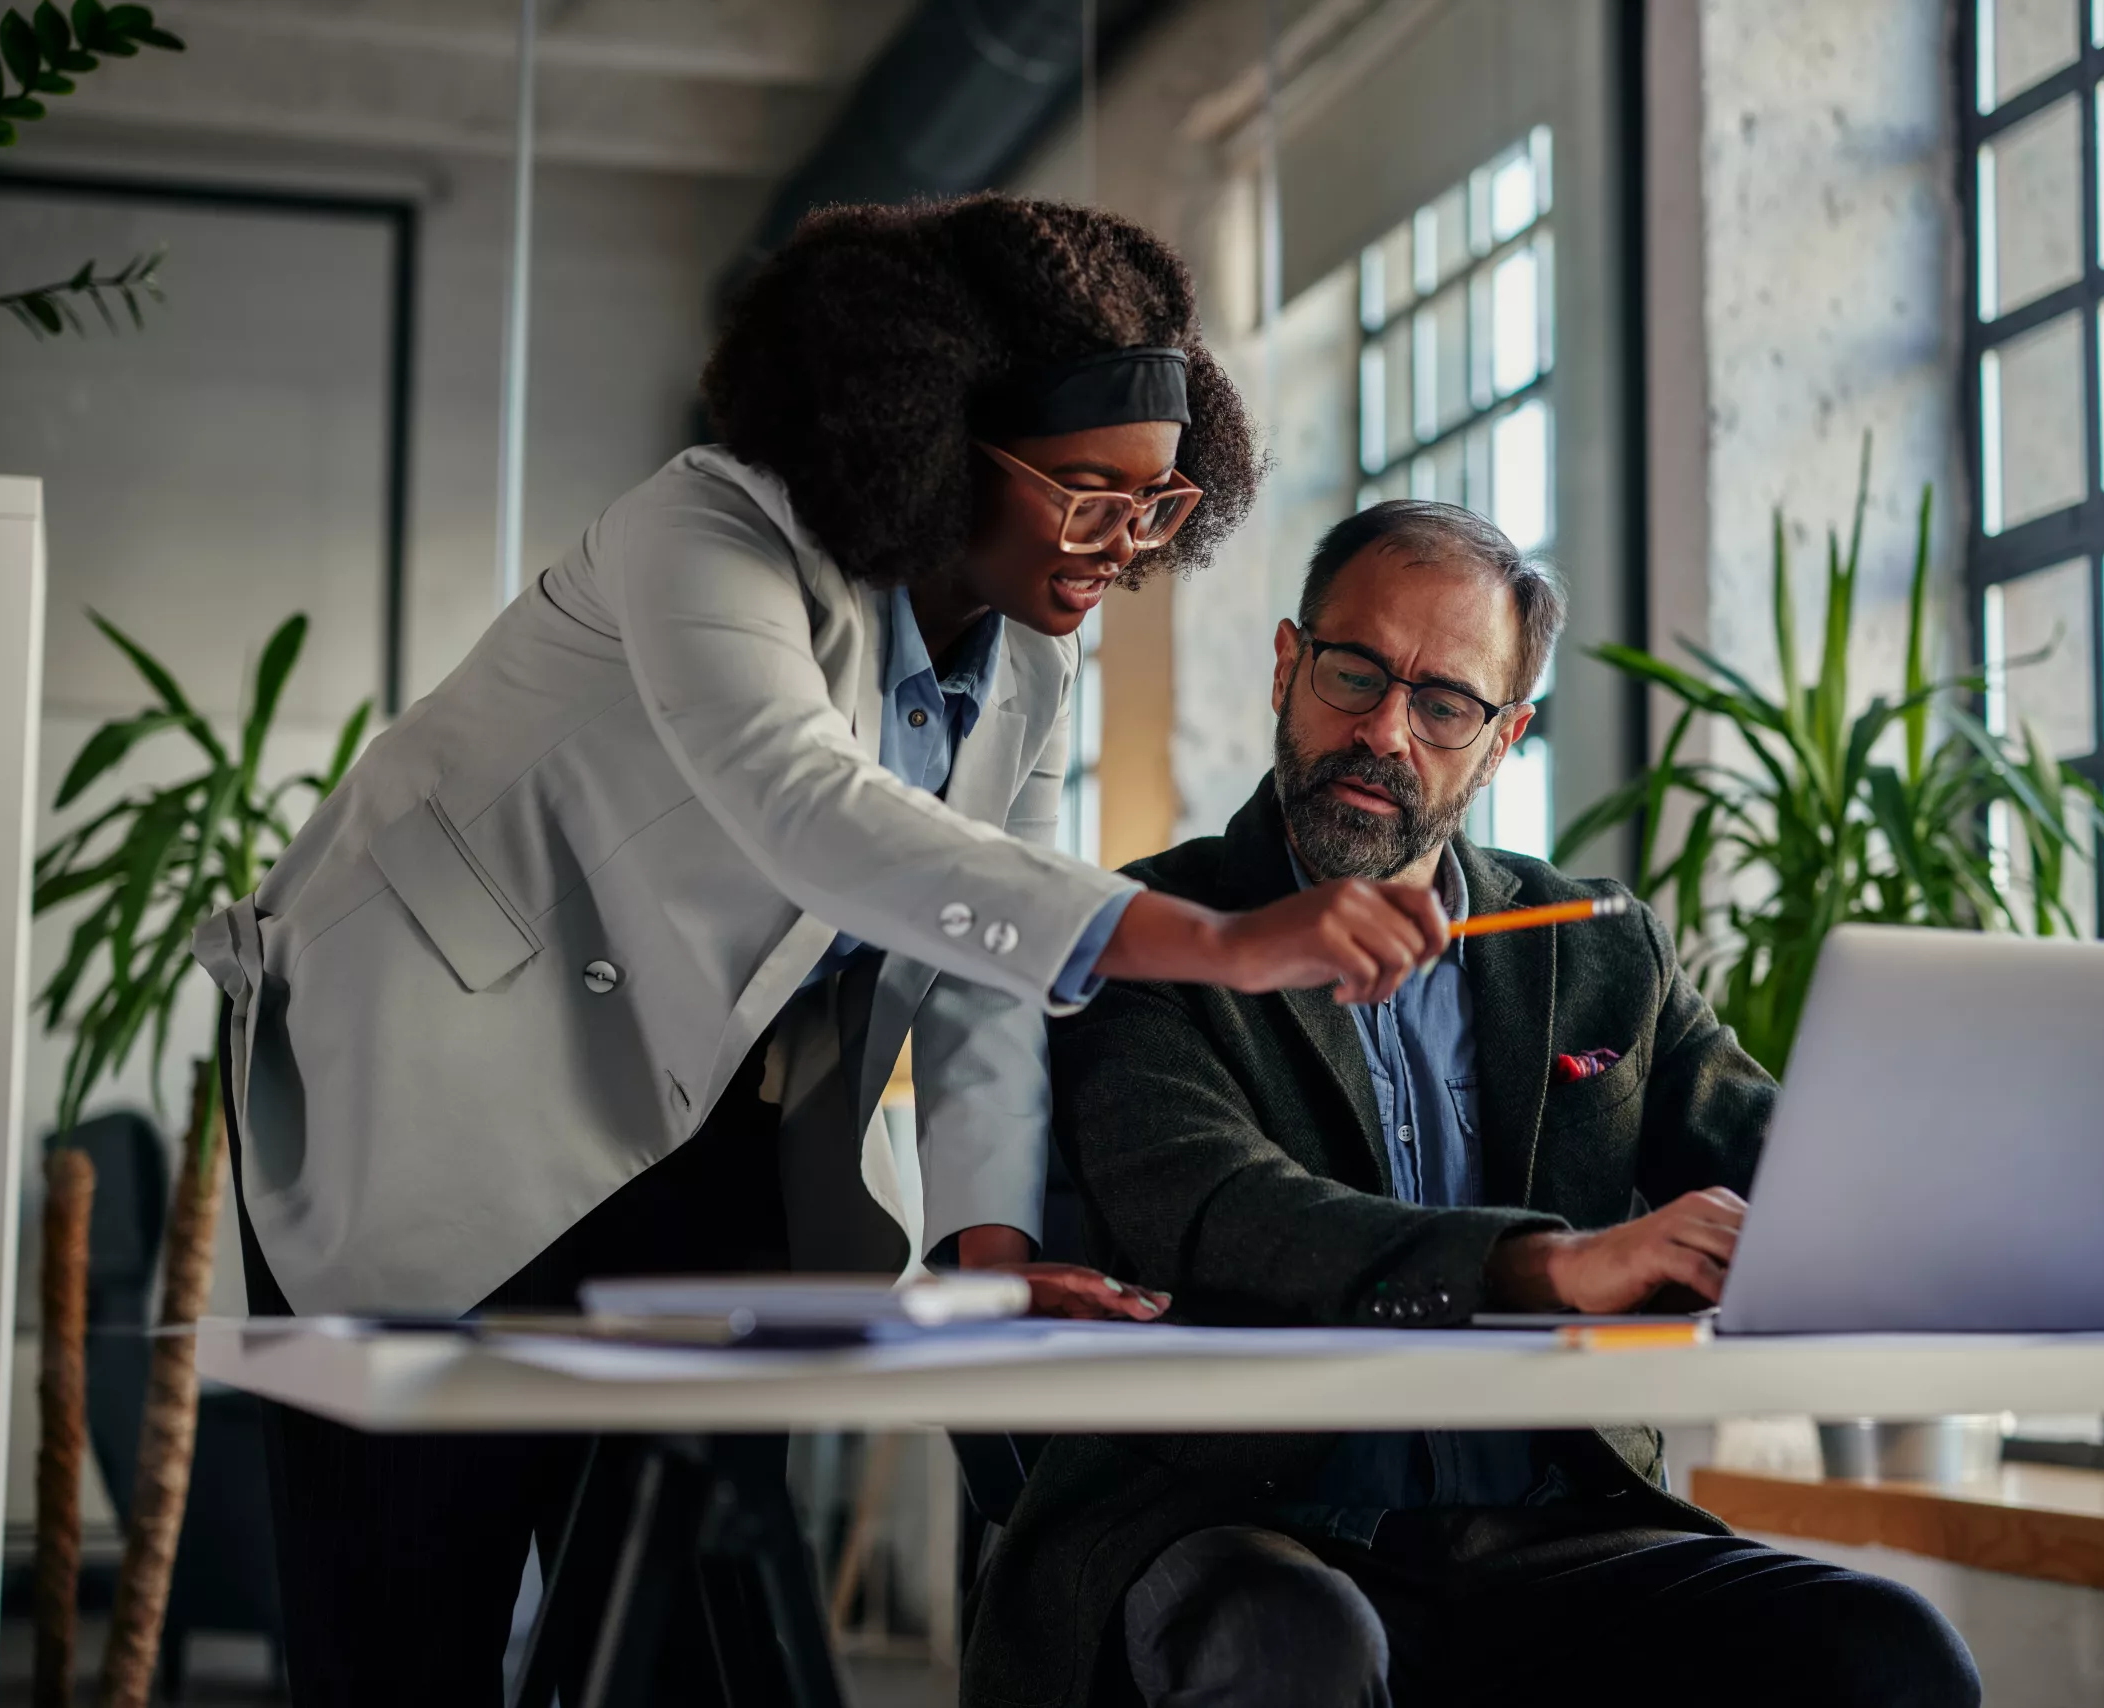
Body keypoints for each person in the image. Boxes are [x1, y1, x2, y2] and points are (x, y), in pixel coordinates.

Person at [189, 196, 1454, 1705]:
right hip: (428, 1084)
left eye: (1158, 508)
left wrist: (993, 1257)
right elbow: (813, 814)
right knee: (406, 1636)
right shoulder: (707, 531)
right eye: (1084, 495)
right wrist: (1225, 942)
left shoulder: (1034, 660)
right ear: (934, 434)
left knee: (680, 1628)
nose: (1121, 550)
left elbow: (982, 965)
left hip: (704, 1124)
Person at [968, 501, 1983, 1708]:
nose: (1384, 731)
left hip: (1543, 1525)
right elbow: (1224, 1213)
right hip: (1231, 1513)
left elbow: (1783, 1161)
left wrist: (2006, 1213)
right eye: (1354, 674)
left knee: (1885, 1654)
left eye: (1445, 703)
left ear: (1503, 740)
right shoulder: (1155, 931)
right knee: (1292, 1649)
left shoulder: (1600, 950)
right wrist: (1550, 1269)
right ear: (1289, 665)